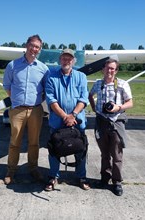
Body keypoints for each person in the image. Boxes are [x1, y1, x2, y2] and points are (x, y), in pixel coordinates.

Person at [2, 34, 50, 185]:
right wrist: (18, 100)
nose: (34, 49)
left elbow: (47, 90)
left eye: (37, 47)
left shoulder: (43, 68)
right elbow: (7, 87)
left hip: (36, 110)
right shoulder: (13, 65)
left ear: (39, 50)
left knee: (34, 142)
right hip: (17, 110)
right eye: (32, 45)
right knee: (14, 142)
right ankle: (11, 170)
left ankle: (33, 168)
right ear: (26, 45)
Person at [44, 48, 90, 191]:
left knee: (80, 149)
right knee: (54, 149)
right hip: (58, 122)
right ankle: (53, 176)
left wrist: (73, 115)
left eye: (69, 58)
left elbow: (83, 98)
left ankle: (81, 176)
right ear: (60, 60)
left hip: (77, 122)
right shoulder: (51, 77)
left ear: (74, 61)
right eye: (64, 58)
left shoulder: (81, 76)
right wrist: (65, 116)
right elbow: (51, 100)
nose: (66, 61)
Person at [88, 58, 133, 196]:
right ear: (103, 69)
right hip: (101, 121)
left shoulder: (122, 84)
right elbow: (90, 96)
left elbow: (130, 103)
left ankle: (117, 182)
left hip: (116, 121)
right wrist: (95, 108)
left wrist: (118, 107)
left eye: (112, 68)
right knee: (104, 153)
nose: (109, 71)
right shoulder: (98, 84)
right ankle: (104, 178)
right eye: (107, 68)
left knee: (117, 154)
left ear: (116, 70)